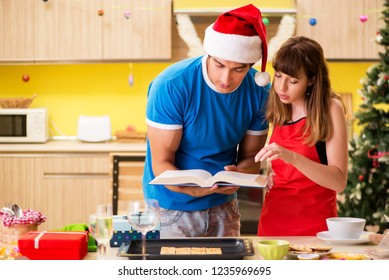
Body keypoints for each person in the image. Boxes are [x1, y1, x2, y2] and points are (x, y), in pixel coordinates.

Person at [143, 4, 270, 237]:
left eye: (239, 70)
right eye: (219, 64)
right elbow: (161, 164)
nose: (226, 78)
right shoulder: (171, 85)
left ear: (251, 66)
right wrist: (189, 190)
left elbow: (252, 158)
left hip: (225, 206)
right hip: (171, 207)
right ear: (208, 54)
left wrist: (239, 173)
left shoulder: (259, 90)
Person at [255, 36, 349, 236]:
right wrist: (270, 176)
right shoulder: (280, 109)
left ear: (312, 79)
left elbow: (338, 182)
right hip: (272, 224)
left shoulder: (330, 109)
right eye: (278, 76)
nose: (281, 87)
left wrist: (293, 158)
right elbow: (282, 171)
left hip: (314, 229)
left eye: (293, 81)